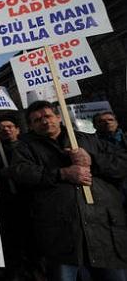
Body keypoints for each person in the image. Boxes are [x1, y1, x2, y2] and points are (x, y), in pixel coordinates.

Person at [10, 100, 127, 281]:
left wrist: (93, 161)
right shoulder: (25, 148)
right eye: (37, 120)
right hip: (60, 235)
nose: (45, 121)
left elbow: (122, 163)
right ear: (31, 126)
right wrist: (62, 173)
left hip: (103, 229)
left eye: (48, 116)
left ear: (58, 117)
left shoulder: (88, 140)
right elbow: (21, 173)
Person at [0, 116, 45, 281]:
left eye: (10, 126)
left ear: (18, 129)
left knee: (35, 248)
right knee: (11, 248)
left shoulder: (30, 147)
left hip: (31, 204)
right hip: (5, 206)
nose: (6, 129)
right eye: (2, 127)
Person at [93, 111, 127, 215]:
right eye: (101, 121)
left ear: (116, 122)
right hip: (111, 191)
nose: (107, 123)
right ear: (95, 125)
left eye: (110, 120)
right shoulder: (92, 144)